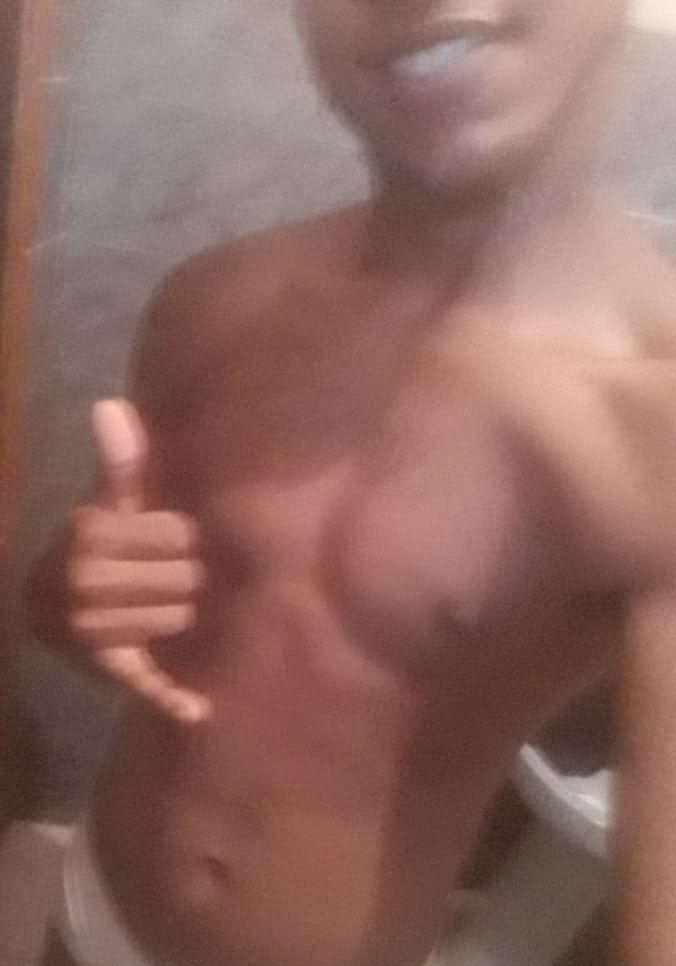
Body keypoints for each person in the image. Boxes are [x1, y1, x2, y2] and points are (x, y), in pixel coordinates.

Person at [27, 0, 676, 963]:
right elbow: (73, 623)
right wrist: (77, 593)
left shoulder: (654, 425)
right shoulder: (215, 300)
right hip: (87, 913)